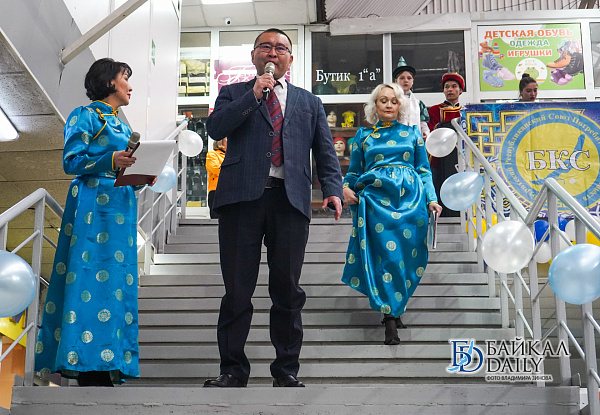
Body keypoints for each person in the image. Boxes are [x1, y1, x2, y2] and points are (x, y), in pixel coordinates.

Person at [203, 28, 343, 388]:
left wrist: (332, 189)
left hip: (290, 201)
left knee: (288, 290)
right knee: (237, 290)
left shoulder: (309, 102)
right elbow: (216, 128)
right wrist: (253, 95)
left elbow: (324, 150)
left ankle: (286, 370)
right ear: (253, 56)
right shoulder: (233, 93)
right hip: (240, 201)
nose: (273, 52)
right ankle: (232, 370)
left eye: (280, 48)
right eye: (265, 47)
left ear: (290, 59)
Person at [35, 58, 145, 386]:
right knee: (87, 277)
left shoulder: (122, 126)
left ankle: (111, 361)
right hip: (92, 206)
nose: (130, 86)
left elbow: (122, 170)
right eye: (126, 78)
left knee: (117, 283)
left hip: (121, 207)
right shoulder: (85, 115)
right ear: (110, 82)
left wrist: (142, 175)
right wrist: (111, 159)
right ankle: (83, 361)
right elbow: (71, 161)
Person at [341, 83, 442, 345]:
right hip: (375, 203)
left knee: (406, 257)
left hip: (411, 202)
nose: (388, 105)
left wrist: (432, 198)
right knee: (385, 257)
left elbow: (423, 170)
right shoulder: (363, 135)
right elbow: (353, 172)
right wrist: (345, 188)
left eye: (394, 101)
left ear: (400, 106)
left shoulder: (413, 134)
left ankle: (396, 304)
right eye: (383, 100)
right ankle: (389, 317)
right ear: (375, 105)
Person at [427, 72, 465, 217]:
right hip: (439, 158)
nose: (450, 89)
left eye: (454, 86)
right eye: (447, 87)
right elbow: (432, 131)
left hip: (460, 157)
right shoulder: (435, 110)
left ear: (460, 90)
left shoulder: (465, 111)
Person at [392, 57, 430, 139]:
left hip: (414, 140)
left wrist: (426, 134)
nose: (406, 80)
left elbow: (423, 124)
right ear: (396, 81)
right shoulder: (391, 101)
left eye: (409, 78)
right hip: (395, 139)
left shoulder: (418, 103)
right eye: (402, 78)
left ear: (412, 81)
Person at [206, 137, 227, 218]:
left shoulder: (232, 156)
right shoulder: (212, 154)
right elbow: (216, 169)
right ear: (221, 142)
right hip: (216, 190)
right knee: (216, 219)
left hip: (231, 191)